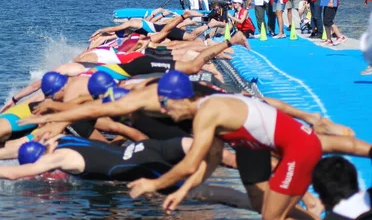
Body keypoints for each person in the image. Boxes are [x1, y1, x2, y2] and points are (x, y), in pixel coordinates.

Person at [128, 70, 372, 220]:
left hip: (298, 151)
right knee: (271, 211)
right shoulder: (209, 113)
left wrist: (154, 183)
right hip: (296, 146)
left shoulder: (208, 113)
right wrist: (181, 191)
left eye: (164, 103)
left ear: (180, 98)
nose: (162, 110)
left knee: (270, 215)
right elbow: (209, 162)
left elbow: (190, 164)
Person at [0, 134, 253, 210]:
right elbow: (17, 148)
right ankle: (269, 162)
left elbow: (17, 173)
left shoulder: (59, 159)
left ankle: (270, 205)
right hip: (149, 148)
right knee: (219, 154)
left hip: (146, 168)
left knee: (218, 195)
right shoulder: (56, 139)